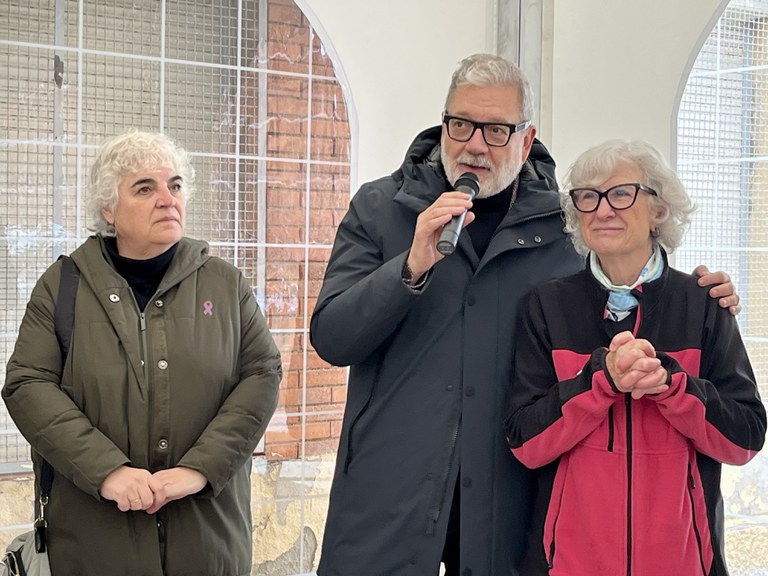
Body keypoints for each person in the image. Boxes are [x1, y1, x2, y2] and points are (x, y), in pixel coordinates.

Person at [309, 53, 741, 576]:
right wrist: (411, 265)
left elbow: (625, 286)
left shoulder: (565, 228)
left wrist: (703, 295)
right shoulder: (381, 209)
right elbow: (332, 338)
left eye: (496, 130)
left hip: (510, 509)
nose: (474, 144)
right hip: (389, 498)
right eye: (461, 124)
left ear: (527, 136)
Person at [3, 130, 282, 576]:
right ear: (108, 208)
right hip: (95, 548)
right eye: (144, 187)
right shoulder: (62, 287)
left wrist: (200, 469)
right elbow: (27, 384)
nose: (167, 198)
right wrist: (108, 470)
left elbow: (263, 374)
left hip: (209, 544)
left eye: (175, 185)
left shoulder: (225, 285)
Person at [505, 139, 766, 575]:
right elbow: (526, 444)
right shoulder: (546, 306)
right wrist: (599, 381)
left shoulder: (703, 304)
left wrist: (672, 385)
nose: (602, 210)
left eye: (621, 193)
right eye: (587, 197)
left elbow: (744, 440)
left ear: (658, 210)